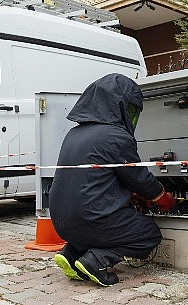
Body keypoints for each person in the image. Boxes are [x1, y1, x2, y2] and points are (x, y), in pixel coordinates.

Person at [49, 73, 176, 287]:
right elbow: (140, 179)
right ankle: (98, 260)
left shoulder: (73, 134)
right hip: (92, 219)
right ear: (119, 107)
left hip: (62, 224)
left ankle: (71, 254)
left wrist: (130, 196)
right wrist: (162, 197)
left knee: (94, 226)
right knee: (149, 234)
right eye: (131, 110)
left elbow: (96, 180)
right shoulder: (115, 136)